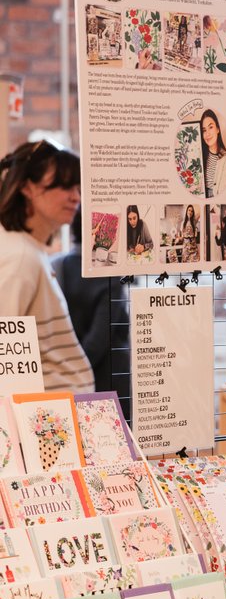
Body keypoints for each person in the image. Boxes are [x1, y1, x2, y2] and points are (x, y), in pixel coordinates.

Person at [0, 141, 95, 393]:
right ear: (27, 187)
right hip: (46, 418)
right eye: (64, 186)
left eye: (77, 187)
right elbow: (6, 359)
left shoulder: (29, 251)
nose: (75, 196)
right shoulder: (20, 257)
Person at [52, 210, 131, 414]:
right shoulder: (109, 275)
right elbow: (99, 339)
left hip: (65, 380)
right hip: (106, 383)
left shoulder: (58, 266)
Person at [201, 109, 226, 198]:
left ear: (217, 129)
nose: (207, 134)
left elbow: (223, 190)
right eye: (204, 130)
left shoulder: (225, 157)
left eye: (210, 127)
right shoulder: (200, 154)